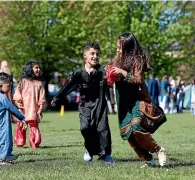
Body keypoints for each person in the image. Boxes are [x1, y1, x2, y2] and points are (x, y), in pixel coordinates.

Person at [51, 42, 114, 163]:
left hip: (100, 105)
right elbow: (68, 86)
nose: (95, 56)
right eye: (92, 53)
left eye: (97, 54)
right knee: (85, 128)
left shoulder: (104, 71)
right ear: (85, 55)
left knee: (103, 129)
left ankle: (105, 154)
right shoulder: (78, 73)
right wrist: (57, 98)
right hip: (85, 106)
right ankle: (89, 150)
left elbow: (114, 81)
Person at [111, 32, 167, 167]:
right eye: (117, 47)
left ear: (128, 47)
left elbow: (138, 79)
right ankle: (147, 159)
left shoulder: (137, 59)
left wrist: (123, 72)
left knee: (136, 127)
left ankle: (158, 150)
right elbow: (112, 75)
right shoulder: (117, 59)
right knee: (128, 134)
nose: (118, 50)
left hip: (138, 100)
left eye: (120, 47)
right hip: (124, 102)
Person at [0, 72, 27, 166]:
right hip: (2, 125)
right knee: (5, 141)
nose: (9, 89)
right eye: (8, 86)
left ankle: (8, 156)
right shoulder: (2, 98)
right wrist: (22, 118)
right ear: (0, 86)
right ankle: (0, 160)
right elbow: (12, 108)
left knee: (2, 141)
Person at [13, 60, 46, 149]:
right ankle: (20, 142)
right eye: (36, 68)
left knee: (34, 125)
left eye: (39, 68)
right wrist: (18, 103)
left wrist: (40, 108)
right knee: (21, 125)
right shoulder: (23, 82)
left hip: (33, 109)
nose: (38, 69)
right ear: (30, 69)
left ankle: (35, 142)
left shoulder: (39, 84)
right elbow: (17, 93)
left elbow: (41, 97)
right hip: (23, 109)